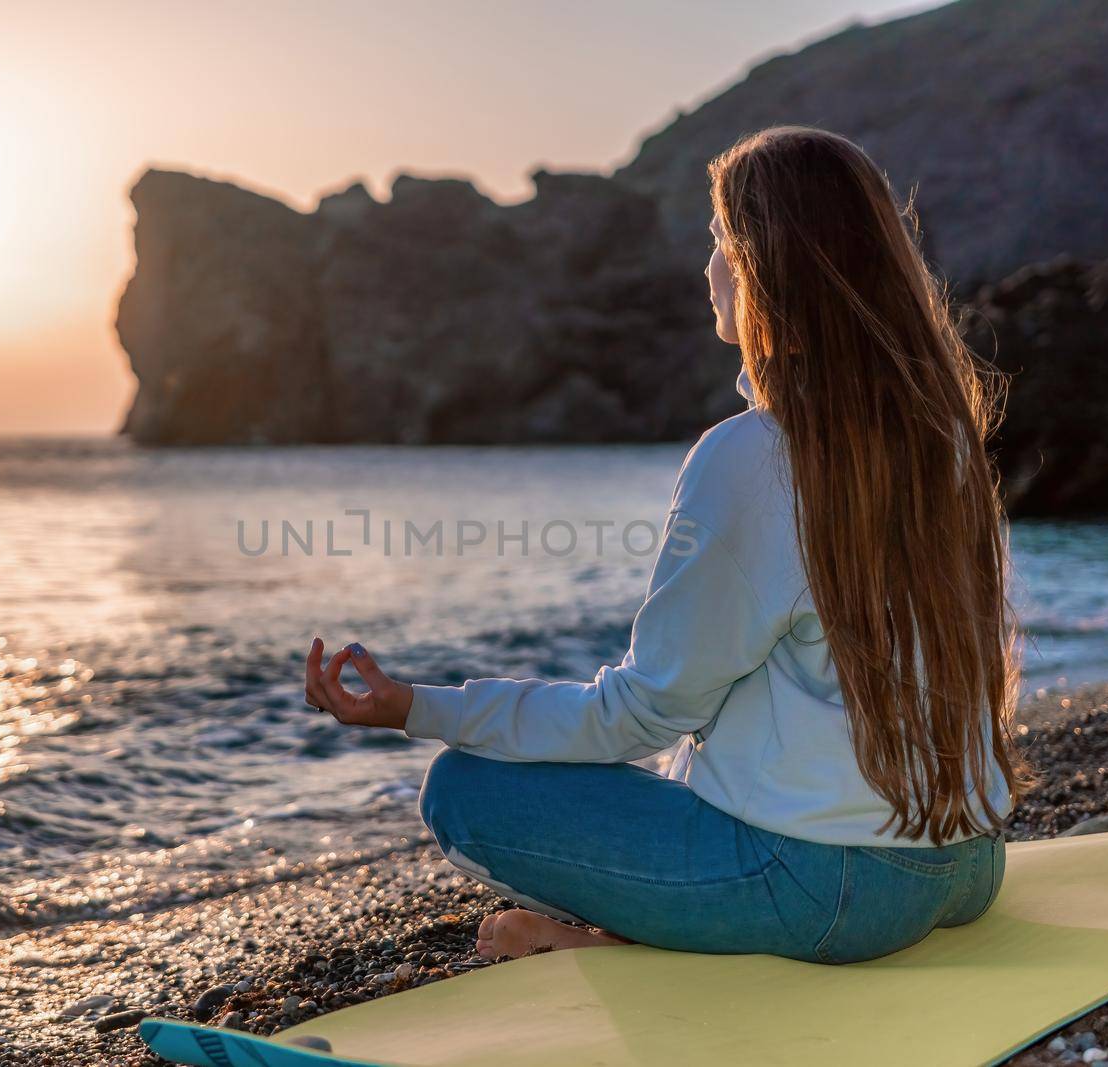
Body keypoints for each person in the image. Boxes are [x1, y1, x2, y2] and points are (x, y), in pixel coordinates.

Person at [302, 125, 1034, 966]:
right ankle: (633, 926)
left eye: (723, 241)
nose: (710, 267)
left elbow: (642, 712)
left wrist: (416, 708)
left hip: (833, 895)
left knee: (466, 789)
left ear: (771, 270)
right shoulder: (943, 436)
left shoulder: (755, 455)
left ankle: (616, 937)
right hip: (968, 863)